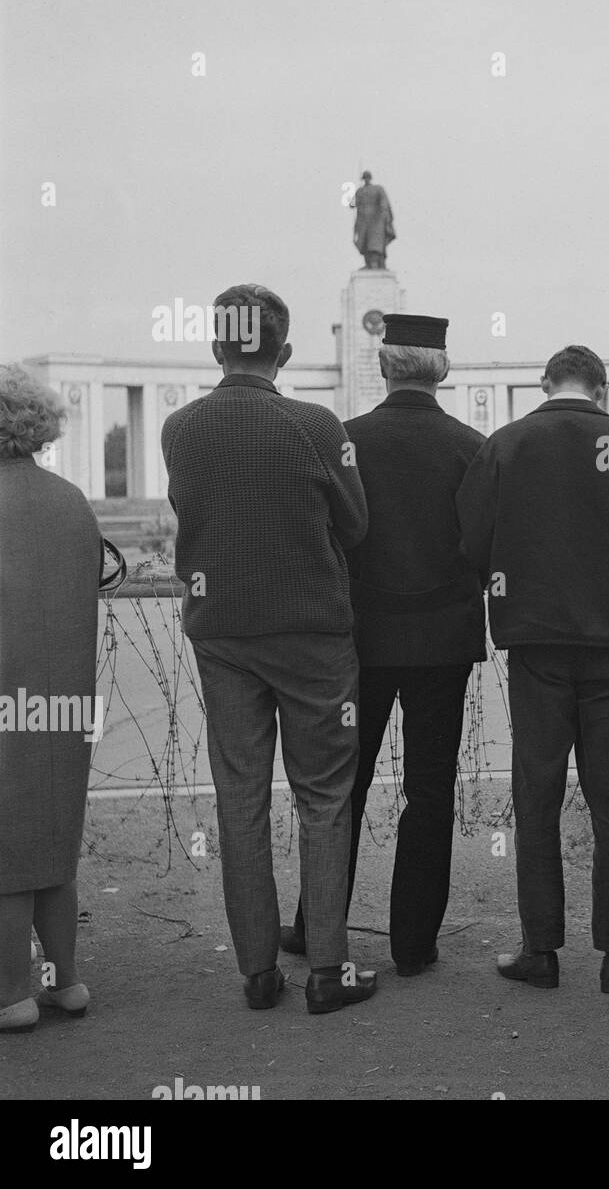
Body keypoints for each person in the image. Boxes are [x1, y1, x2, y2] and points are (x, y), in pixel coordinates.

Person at [161, 284, 378, 1015]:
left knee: (240, 796)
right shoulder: (317, 425)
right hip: (312, 635)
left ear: (217, 346)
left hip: (221, 632)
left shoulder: (179, 428)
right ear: (282, 351)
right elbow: (356, 525)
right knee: (323, 796)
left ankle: (257, 971)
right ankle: (327, 970)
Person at [455, 345, 609, 994]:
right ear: (601, 389)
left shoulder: (506, 445)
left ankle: (540, 950)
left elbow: (471, 540)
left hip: (538, 643)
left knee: (537, 793)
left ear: (545, 383)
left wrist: (505, 584)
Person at [283, 315, 486, 975]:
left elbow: (327, 534)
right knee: (429, 789)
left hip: (361, 639)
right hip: (443, 640)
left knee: (344, 783)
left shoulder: (348, 440)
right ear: (442, 367)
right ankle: (414, 942)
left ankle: (318, 927)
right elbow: (482, 547)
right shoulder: (471, 446)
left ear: (385, 365)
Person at [0, 366, 101, 1031]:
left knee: (6, 850)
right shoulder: (71, 500)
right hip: (65, 698)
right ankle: (65, 981)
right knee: (55, 845)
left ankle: (12, 994)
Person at [351, 171, 395, 269]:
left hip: (376, 220)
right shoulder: (360, 191)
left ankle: (375, 263)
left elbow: (384, 202)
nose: (366, 179)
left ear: (370, 178)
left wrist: (384, 214)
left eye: (367, 177)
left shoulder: (378, 189)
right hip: (363, 221)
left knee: (374, 243)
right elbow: (352, 204)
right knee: (365, 242)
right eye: (365, 178)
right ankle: (369, 264)